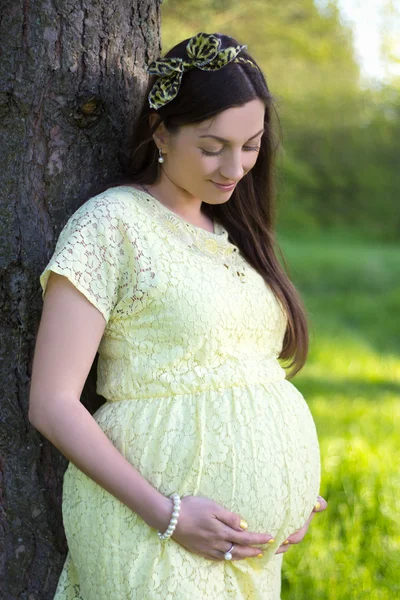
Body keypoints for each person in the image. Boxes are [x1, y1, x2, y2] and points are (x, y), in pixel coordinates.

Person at [29, 32, 327, 600]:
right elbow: (52, 403)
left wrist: (295, 490)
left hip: (248, 553)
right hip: (153, 533)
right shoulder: (111, 226)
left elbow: (248, 370)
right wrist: (168, 515)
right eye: (213, 146)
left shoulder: (238, 231)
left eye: (252, 144)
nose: (234, 167)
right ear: (161, 131)